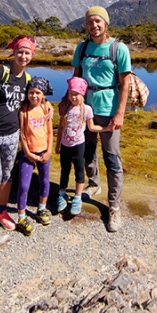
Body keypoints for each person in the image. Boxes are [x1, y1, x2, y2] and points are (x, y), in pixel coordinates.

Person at [70, 6, 132, 233]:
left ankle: (114, 206)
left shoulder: (119, 49)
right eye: (90, 22)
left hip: (109, 109)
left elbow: (125, 83)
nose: (94, 25)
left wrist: (120, 113)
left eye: (98, 21)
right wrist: (69, 104)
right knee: (86, 150)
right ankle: (94, 183)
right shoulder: (82, 47)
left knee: (112, 157)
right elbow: (76, 77)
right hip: (84, 108)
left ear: (106, 23)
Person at [0, 34, 41, 247]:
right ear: (14, 52)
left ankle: (1, 211)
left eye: (27, 53)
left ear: (32, 56)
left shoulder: (28, 79)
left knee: (7, 175)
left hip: (12, 134)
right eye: (20, 51)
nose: (23, 56)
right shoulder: (0, 72)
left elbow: (33, 101)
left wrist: (46, 107)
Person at [55, 76, 109, 216]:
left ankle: (77, 197)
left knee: (79, 171)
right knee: (64, 171)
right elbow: (61, 126)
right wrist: (57, 144)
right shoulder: (65, 107)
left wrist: (106, 128)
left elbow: (91, 127)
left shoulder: (86, 109)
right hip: (65, 146)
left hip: (79, 146)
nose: (73, 98)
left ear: (82, 94)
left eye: (76, 95)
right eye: (71, 94)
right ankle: (62, 194)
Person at [14, 76, 54, 236]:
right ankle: (21, 216)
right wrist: (27, 152)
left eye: (38, 92)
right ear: (27, 93)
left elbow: (50, 132)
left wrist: (49, 151)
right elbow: (22, 134)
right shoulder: (24, 111)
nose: (34, 96)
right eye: (31, 92)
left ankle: (41, 209)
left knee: (45, 181)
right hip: (28, 154)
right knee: (24, 185)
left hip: (44, 152)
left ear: (43, 94)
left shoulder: (45, 109)